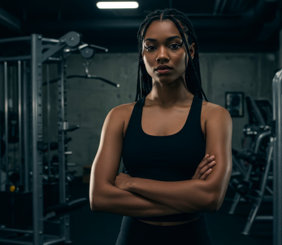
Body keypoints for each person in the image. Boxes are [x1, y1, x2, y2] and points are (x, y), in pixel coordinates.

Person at [89, 8, 232, 245]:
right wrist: (188, 192)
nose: (162, 55)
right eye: (151, 46)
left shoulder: (214, 116)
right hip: (134, 237)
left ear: (191, 51)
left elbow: (211, 198)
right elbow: (100, 197)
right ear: (142, 54)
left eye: (174, 45)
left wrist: (131, 183)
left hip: (190, 238)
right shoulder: (119, 117)